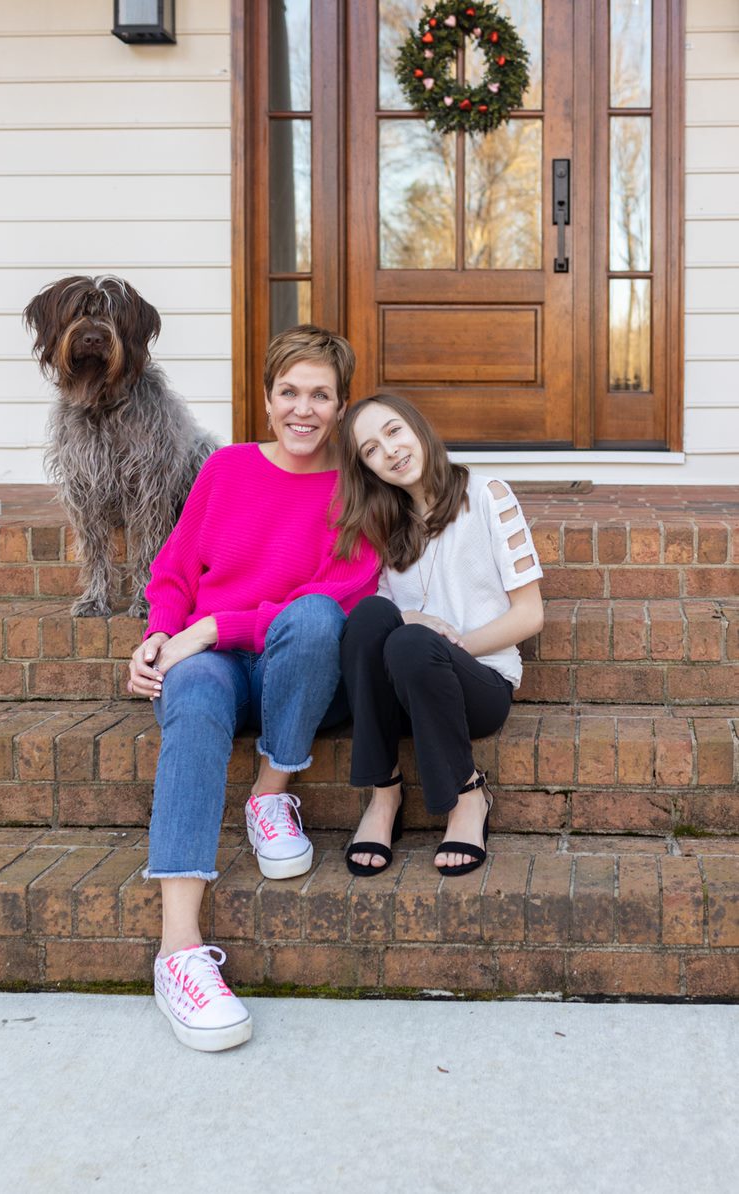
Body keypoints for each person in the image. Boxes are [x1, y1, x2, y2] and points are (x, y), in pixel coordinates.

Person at [128, 326, 379, 1052]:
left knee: (312, 615)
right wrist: (160, 634)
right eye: (289, 392)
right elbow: (175, 572)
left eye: (321, 395)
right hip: (214, 664)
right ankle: (179, 952)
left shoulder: (357, 489)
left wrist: (211, 629)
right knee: (198, 693)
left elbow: (340, 600)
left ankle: (271, 792)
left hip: (296, 674)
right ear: (267, 398)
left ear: (341, 405)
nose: (304, 409)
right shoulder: (229, 469)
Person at [334, 394, 544, 878]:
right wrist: (413, 620)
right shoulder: (387, 526)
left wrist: (450, 645)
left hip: (481, 684)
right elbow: (383, 615)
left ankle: (468, 795)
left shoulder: (489, 494)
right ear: (369, 469)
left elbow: (530, 615)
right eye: (370, 450)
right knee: (369, 616)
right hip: (409, 689)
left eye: (393, 432)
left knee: (411, 644)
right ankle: (384, 794)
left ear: (417, 427)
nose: (388, 451)